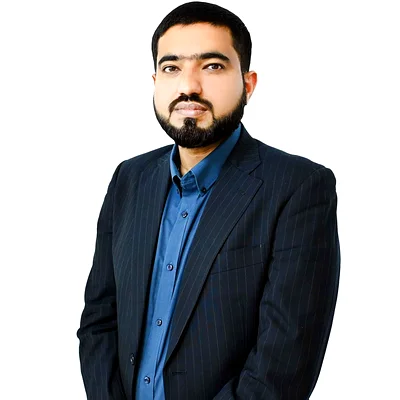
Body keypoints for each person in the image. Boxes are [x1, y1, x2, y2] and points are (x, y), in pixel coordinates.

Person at [77, 2, 340, 399]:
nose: (189, 86)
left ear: (248, 84)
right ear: (155, 81)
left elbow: (284, 363)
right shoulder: (129, 179)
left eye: (213, 66)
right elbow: (99, 320)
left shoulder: (299, 188)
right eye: (172, 68)